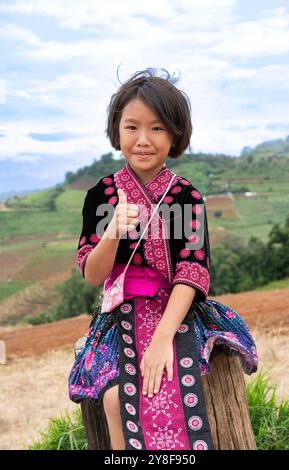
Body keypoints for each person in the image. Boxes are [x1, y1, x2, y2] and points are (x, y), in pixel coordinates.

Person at [68, 68, 258, 451]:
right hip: (118, 313)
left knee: (175, 381)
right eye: (132, 127)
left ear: (175, 134)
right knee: (115, 399)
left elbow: (193, 270)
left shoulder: (186, 196)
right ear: (116, 131)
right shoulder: (102, 194)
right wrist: (112, 232)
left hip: (177, 310)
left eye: (156, 129)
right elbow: (92, 274)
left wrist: (163, 337)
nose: (143, 140)